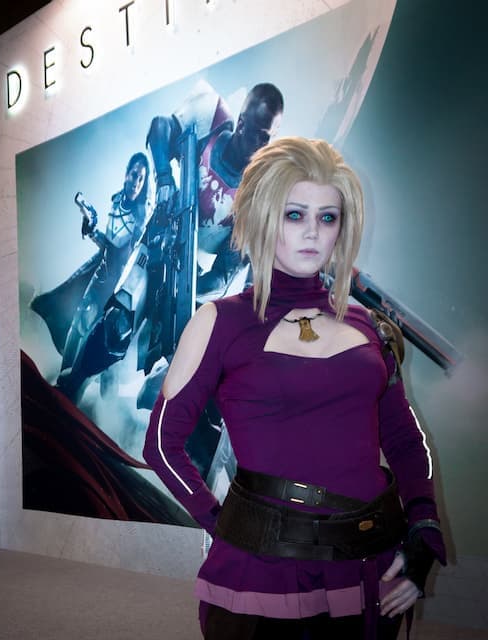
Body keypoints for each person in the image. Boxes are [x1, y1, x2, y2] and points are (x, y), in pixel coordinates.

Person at [143, 137, 446, 639]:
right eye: (294, 215)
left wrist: (424, 529)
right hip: (265, 572)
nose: (312, 232)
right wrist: (222, 522)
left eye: (328, 218)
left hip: (371, 564)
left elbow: (405, 441)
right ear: (263, 217)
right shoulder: (220, 321)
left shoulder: (368, 325)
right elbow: (160, 443)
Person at [147, 79, 284, 300]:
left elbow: (223, 274)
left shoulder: (256, 197)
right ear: (241, 124)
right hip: (160, 231)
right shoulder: (212, 116)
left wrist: (187, 290)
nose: (263, 145)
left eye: (268, 138)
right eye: (260, 135)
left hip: (192, 270)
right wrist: (164, 178)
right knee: (124, 304)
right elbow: (161, 127)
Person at [30, 152, 151, 400]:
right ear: (126, 174)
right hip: (100, 278)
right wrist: (92, 230)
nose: (136, 182)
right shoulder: (116, 201)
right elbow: (109, 246)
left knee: (106, 355)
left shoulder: (142, 215)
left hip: (119, 291)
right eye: (134, 175)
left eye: (141, 179)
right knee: (78, 328)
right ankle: (62, 386)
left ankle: (93, 407)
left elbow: (129, 255)